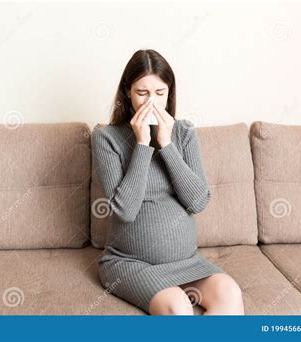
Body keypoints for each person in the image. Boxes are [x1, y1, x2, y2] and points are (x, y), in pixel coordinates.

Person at [92, 49, 245, 315]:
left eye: (160, 93)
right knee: (177, 304)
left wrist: (166, 144)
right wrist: (142, 144)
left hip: (186, 262)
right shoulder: (107, 138)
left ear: (169, 93)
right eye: (143, 93)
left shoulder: (183, 132)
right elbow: (125, 211)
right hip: (130, 263)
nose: (151, 102)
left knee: (229, 292)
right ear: (127, 92)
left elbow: (198, 201)